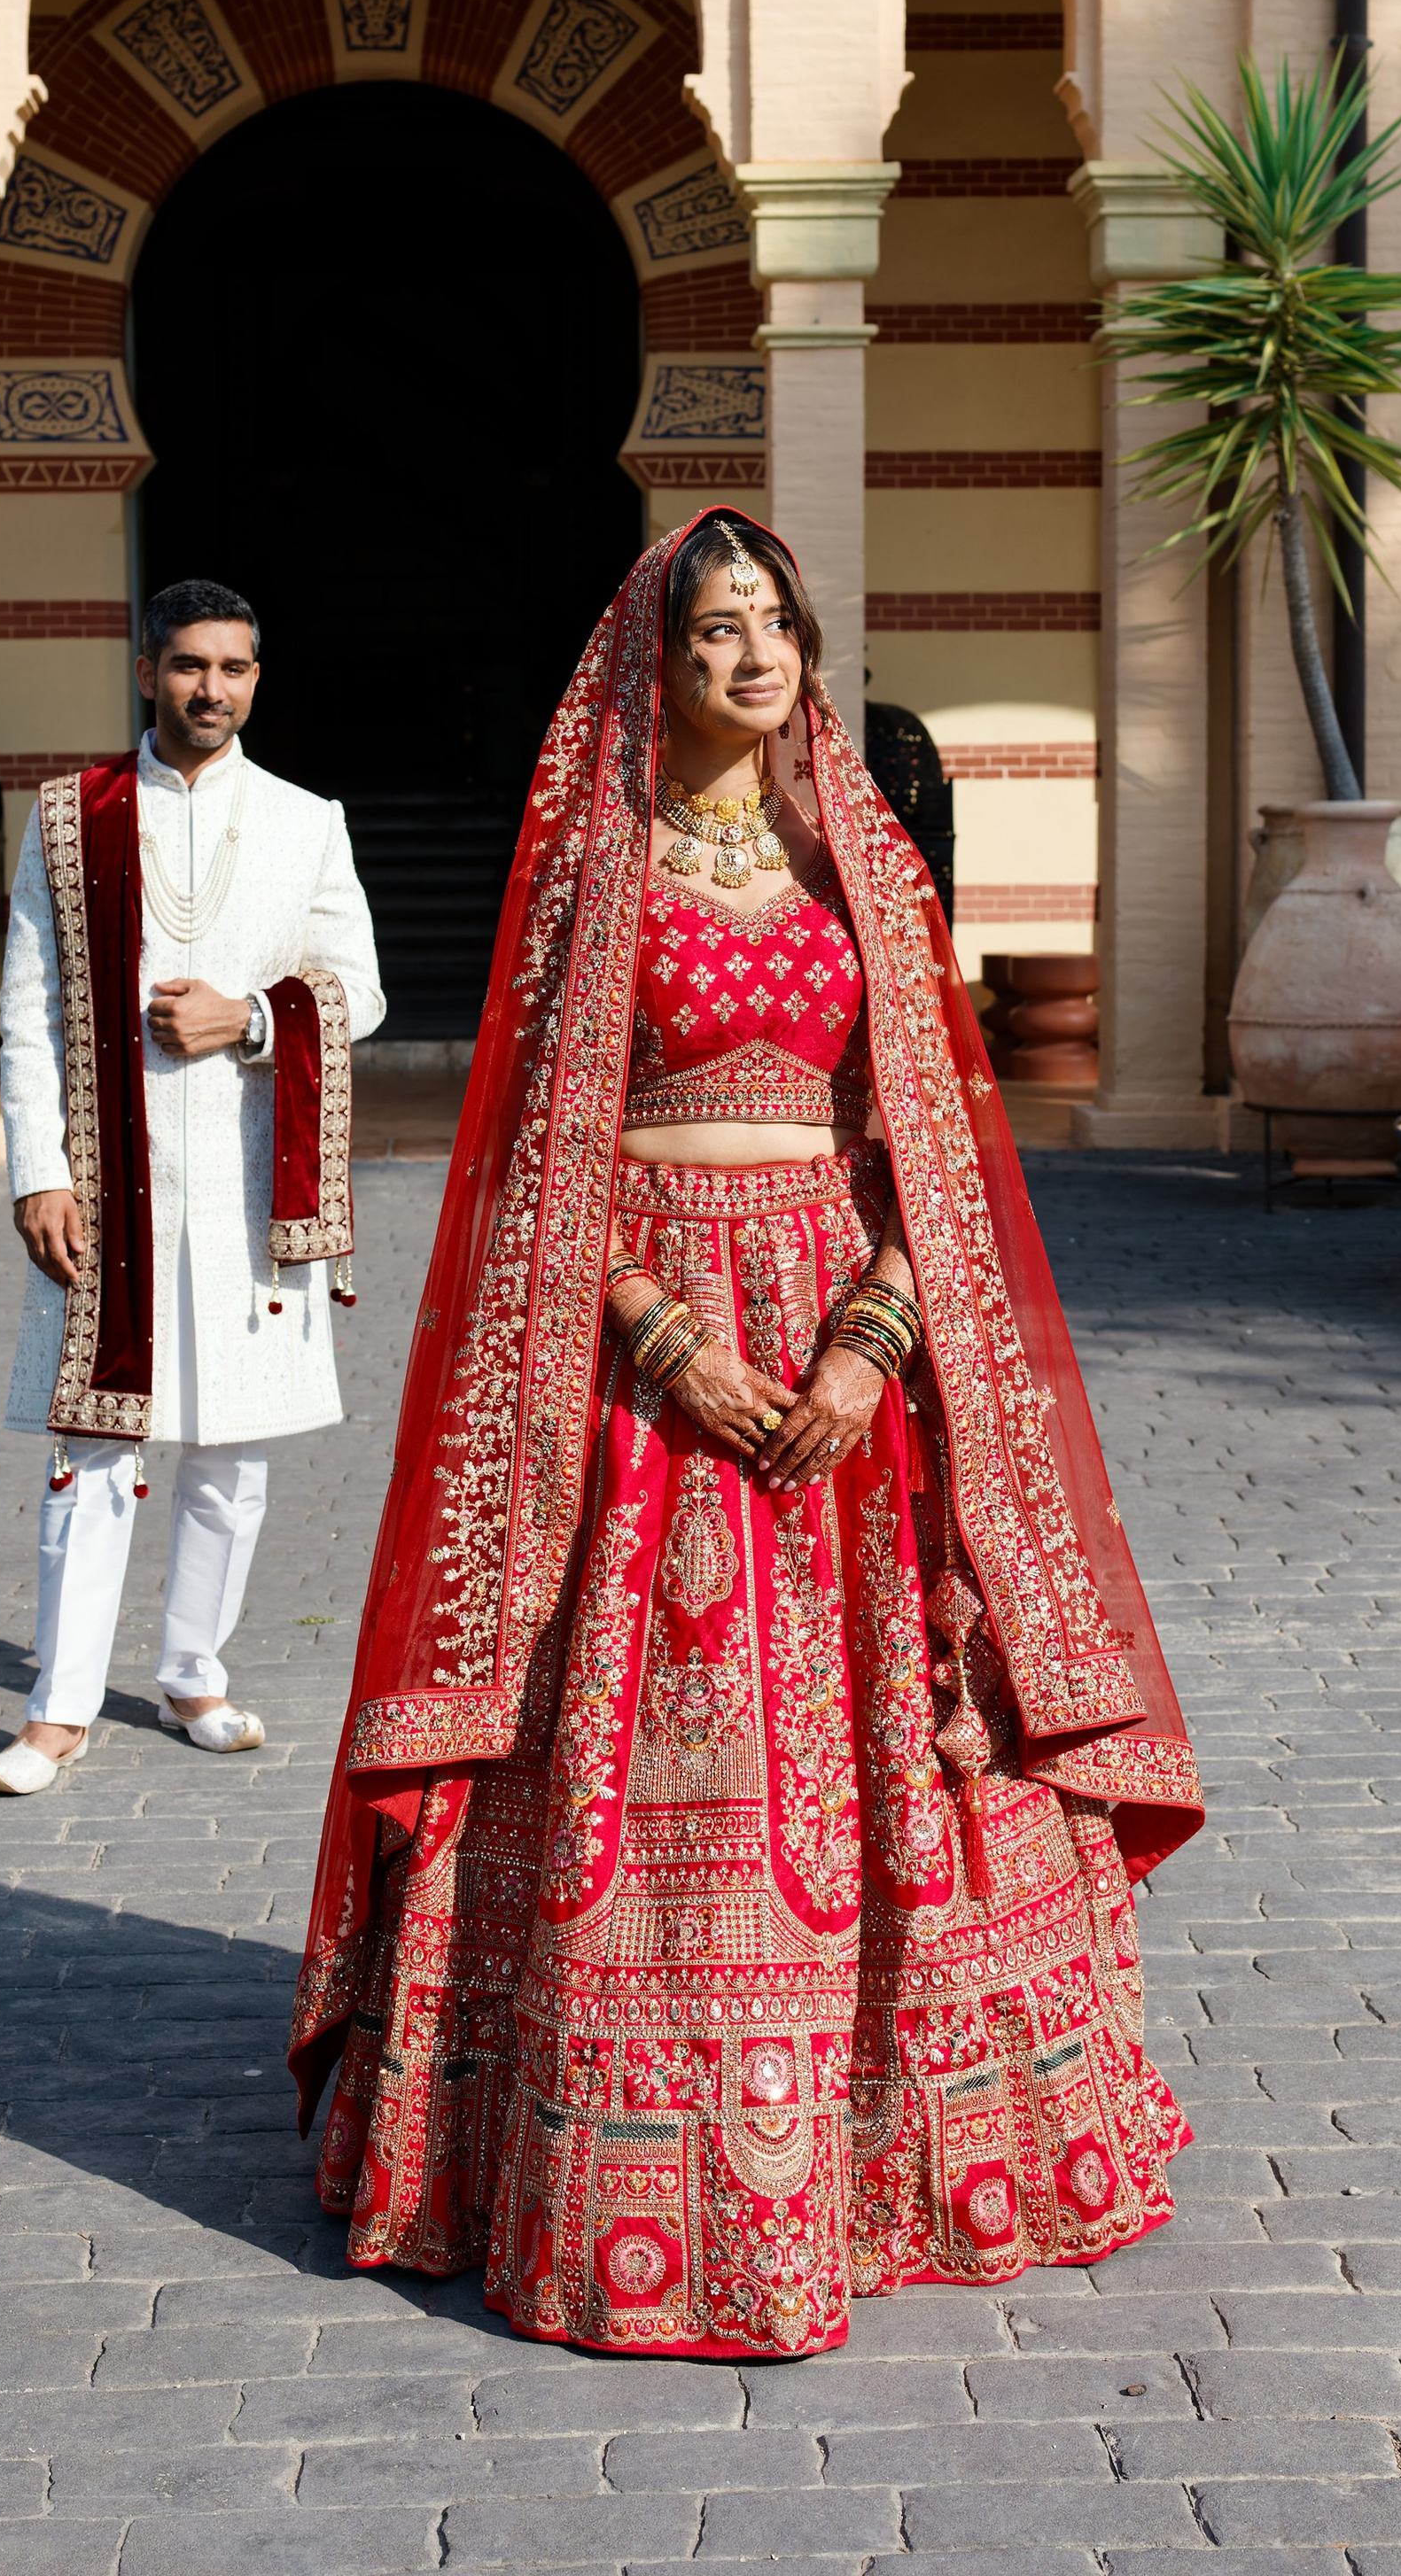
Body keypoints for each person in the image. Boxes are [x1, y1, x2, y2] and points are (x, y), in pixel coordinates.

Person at [289, 509, 1203, 2357]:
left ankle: (898, 2150)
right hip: (642, 1367)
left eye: (773, 625)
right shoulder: (591, 879)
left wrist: (870, 1345)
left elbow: (917, 1147)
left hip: (845, 1349)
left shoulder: (857, 861)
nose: (751, 657)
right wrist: (658, 1338)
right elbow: (533, 1166)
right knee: (639, 1726)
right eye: (712, 630)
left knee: (892, 1730)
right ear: (653, 661)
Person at [0, 578, 384, 1789]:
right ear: (149, 669)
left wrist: (251, 1017)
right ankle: (58, 1707)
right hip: (112, 1180)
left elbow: (357, 990)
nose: (214, 689)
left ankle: (195, 1672)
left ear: (259, 679)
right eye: (193, 665)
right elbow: (28, 1016)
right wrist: (39, 1171)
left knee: (231, 1449)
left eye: (237, 668)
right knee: (93, 1444)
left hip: (254, 1177)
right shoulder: (68, 818)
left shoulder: (307, 820)